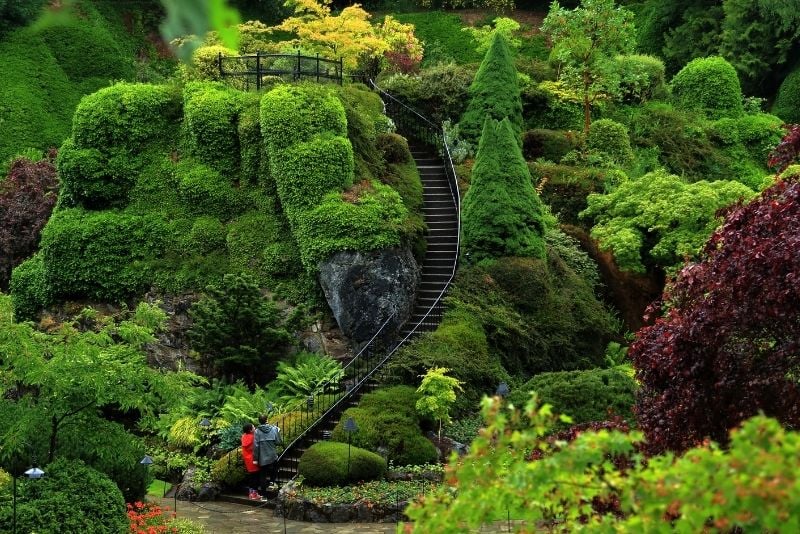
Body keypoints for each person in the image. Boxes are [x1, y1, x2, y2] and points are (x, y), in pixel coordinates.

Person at [253, 413, 282, 494]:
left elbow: (255, 447)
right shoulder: (273, 429)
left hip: (262, 457)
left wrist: (255, 459)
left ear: (259, 421)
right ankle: (272, 482)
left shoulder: (257, 432)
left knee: (263, 476)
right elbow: (279, 442)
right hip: (273, 456)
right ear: (267, 420)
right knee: (276, 467)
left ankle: (264, 496)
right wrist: (277, 431)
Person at [240, 423, 261, 500]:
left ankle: (251, 493)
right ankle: (254, 494)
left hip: (247, 459)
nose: (254, 427)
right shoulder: (253, 438)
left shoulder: (243, 437)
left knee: (251, 477)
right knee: (255, 477)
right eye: (253, 427)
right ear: (250, 430)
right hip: (253, 459)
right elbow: (256, 449)